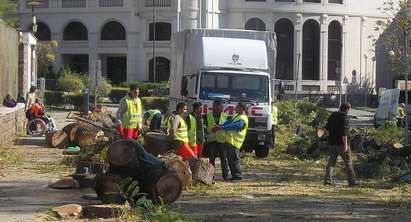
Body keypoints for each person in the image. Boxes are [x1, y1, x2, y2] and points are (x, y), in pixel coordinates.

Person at [324, 103, 358, 187]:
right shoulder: (345, 118)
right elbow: (344, 133)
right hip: (341, 144)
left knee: (331, 163)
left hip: (332, 143)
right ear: (347, 109)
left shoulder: (332, 116)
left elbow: (326, 128)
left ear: (340, 108)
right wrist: (345, 145)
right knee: (348, 163)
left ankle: (327, 180)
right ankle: (352, 182)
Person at [214, 102, 249, 181]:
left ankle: (237, 176)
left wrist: (221, 128)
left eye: (237, 107)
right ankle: (234, 175)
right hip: (230, 141)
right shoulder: (237, 116)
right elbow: (229, 122)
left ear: (241, 108)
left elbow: (236, 126)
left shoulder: (243, 118)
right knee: (231, 160)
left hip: (235, 142)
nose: (235, 108)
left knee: (234, 160)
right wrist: (220, 126)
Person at [205, 100, 229, 180]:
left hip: (222, 140)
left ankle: (225, 176)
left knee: (224, 158)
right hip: (212, 140)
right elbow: (204, 127)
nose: (218, 108)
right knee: (212, 158)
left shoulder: (225, 116)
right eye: (216, 106)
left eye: (220, 106)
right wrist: (209, 131)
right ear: (213, 106)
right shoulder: (207, 115)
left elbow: (228, 128)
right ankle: (211, 176)